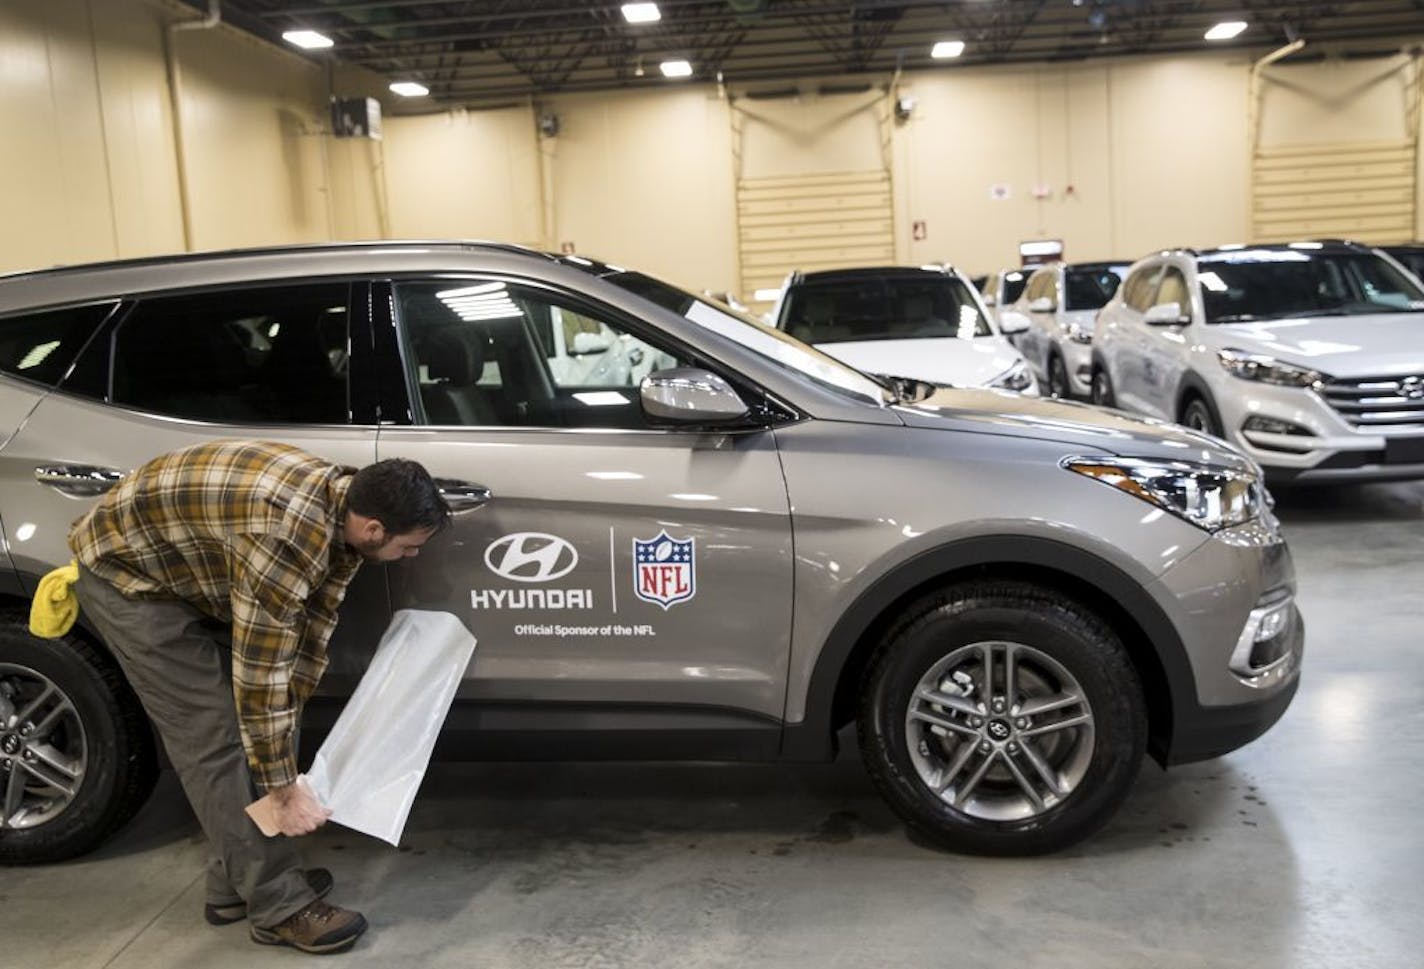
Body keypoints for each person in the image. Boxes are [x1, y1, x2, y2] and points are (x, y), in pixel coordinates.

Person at [62, 440, 448, 955]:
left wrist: (287, 731)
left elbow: (307, 637)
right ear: (373, 529)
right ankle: (277, 907)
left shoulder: (343, 505)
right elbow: (259, 678)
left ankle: (232, 887)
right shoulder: (283, 538)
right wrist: (283, 789)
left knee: (251, 734)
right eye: (409, 546)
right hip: (130, 583)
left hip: (180, 565)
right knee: (213, 738)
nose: (413, 555)